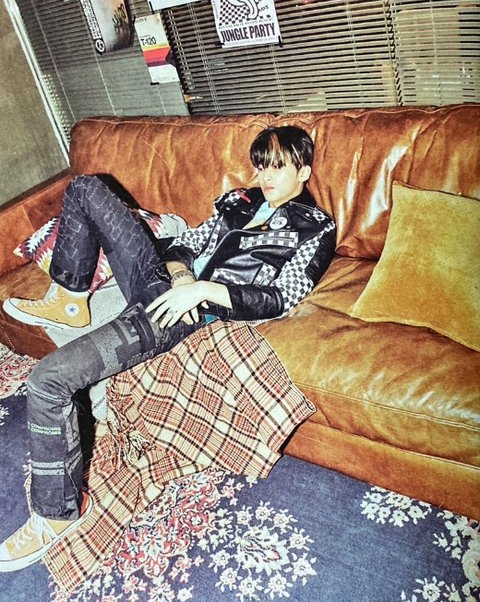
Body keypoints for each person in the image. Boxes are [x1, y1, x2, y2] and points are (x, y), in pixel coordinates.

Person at [0, 124, 336, 572]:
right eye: (261, 166)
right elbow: (184, 244)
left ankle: (56, 513)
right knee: (85, 188)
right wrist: (181, 277)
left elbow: (280, 297)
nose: (265, 176)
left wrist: (201, 293)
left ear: (304, 171)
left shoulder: (314, 227)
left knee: (47, 381)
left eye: (278, 167)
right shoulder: (240, 200)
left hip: (188, 316)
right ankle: (70, 299)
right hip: (165, 284)